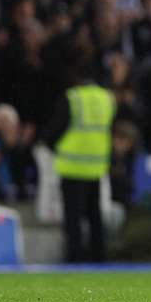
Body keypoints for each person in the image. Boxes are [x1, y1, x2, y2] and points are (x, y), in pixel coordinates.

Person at [39, 56, 116, 263]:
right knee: (94, 215)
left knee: (73, 215)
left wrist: (49, 143)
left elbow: (56, 128)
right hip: (96, 166)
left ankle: (75, 257)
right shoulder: (106, 98)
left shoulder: (73, 98)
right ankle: (99, 257)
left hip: (72, 165)